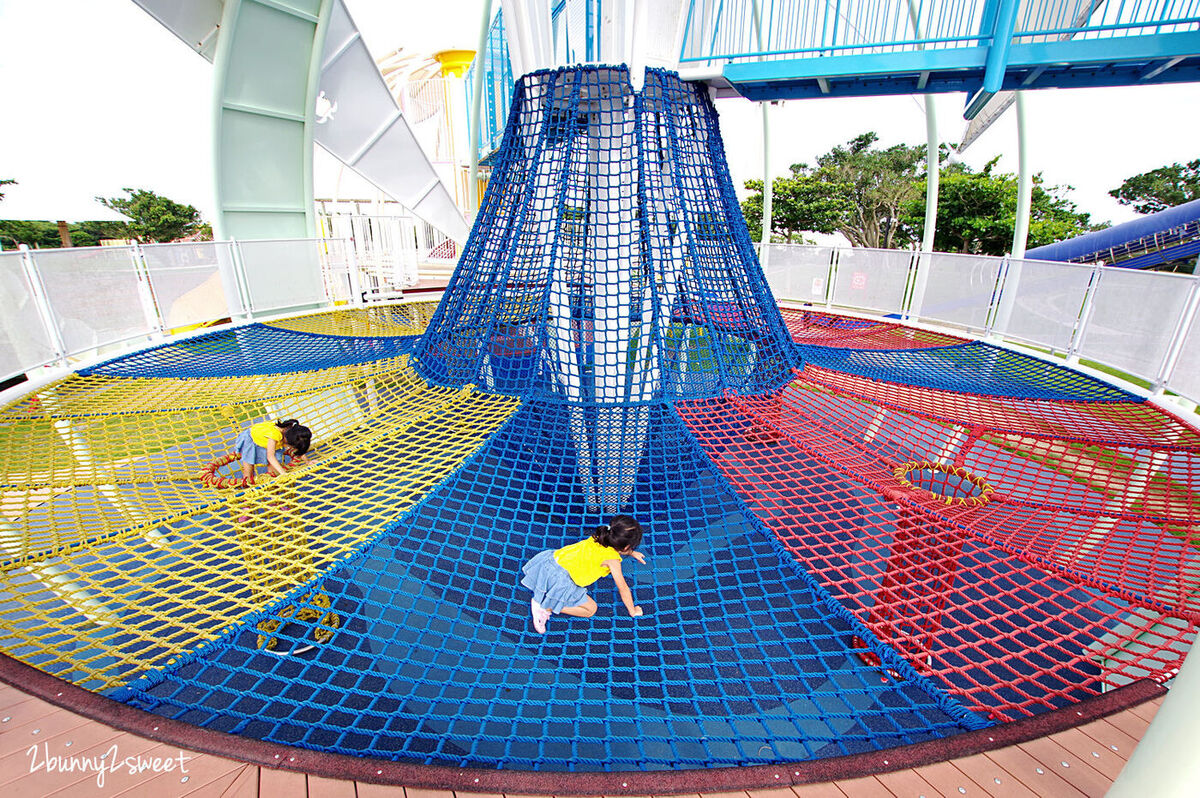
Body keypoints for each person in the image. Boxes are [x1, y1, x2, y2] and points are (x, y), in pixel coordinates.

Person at [521, 515, 647, 634]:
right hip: (561, 580)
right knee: (590, 609)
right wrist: (633, 610)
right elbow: (623, 588)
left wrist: (631, 553)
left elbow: (618, 545)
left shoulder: (600, 535)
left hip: (549, 563)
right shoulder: (613, 561)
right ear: (625, 547)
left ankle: (544, 595)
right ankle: (546, 606)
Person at [233, 418, 312, 483]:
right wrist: (284, 473)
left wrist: (307, 461)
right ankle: (247, 489)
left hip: (267, 440)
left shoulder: (293, 432)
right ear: (286, 439)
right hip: (251, 440)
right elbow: (270, 456)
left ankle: (273, 491)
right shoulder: (274, 435)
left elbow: (299, 449)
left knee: (273, 471)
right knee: (249, 469)